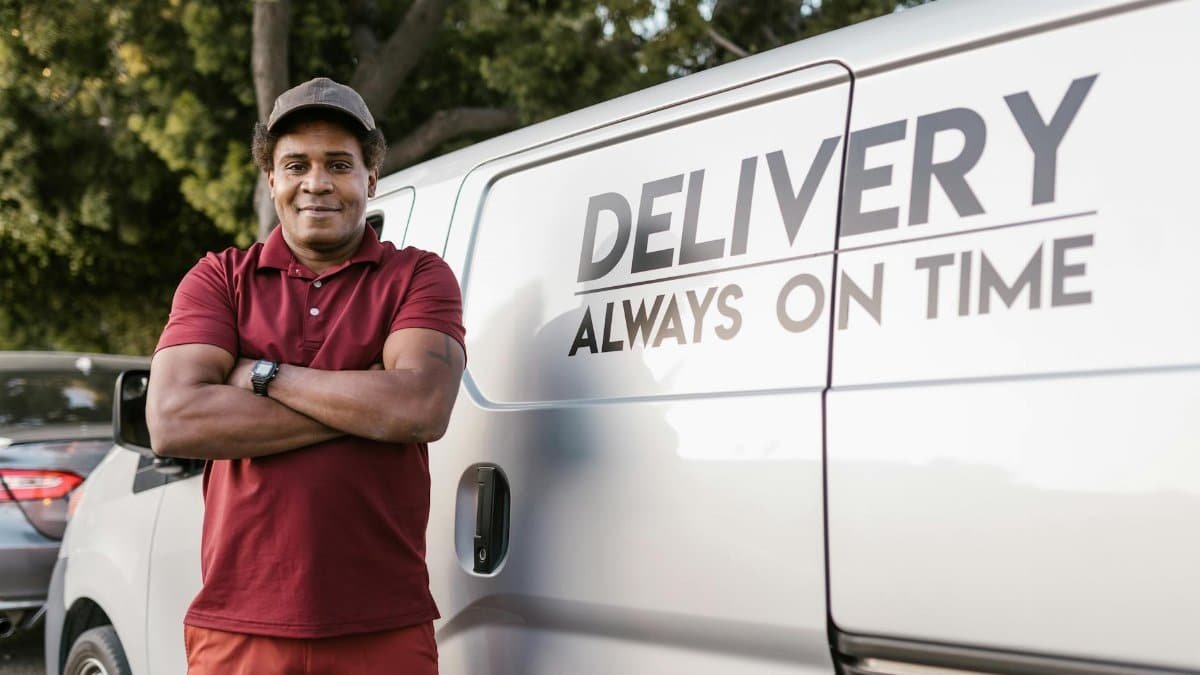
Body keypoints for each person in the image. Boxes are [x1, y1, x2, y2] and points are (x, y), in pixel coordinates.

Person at [146, 77, 465, 675]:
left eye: (338, 164)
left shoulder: (419, 277)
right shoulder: (219, 278)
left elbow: (419, 408)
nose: (316, 183)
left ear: (371, 179)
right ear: (272, 180)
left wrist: (262, 374)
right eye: (296, 164)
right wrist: (365, 401)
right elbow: (173, 420)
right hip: (239, 623)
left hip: (383, 623)